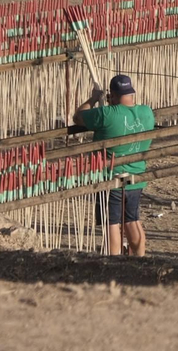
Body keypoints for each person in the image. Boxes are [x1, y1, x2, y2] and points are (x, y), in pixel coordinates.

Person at [73, 74, 155, 256]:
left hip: (113, 179)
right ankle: (140, 257)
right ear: (131, 92)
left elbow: (78, 116)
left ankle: (114, 260)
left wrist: (94, 98)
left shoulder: (107, 113)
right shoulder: (147, 112)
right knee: (132, 220)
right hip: (136, 178)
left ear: (113, 95)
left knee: (112, 222)